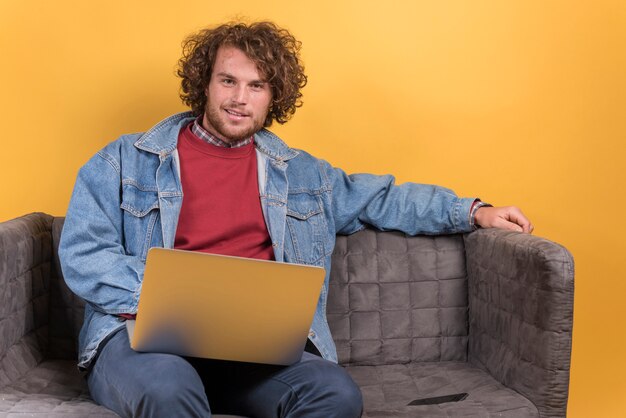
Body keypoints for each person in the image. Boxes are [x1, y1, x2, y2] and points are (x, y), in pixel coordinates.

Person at [58, 21, 533, 418]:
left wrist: (474, 212)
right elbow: (84, 251)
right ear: (204, 82)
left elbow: (382, 199)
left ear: (274, 96)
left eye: (256, 85)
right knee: (167, 389)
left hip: (254, 356)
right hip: (149, 346)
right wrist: (166, 297)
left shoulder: (304, 175)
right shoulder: (125, 159)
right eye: (228, 80)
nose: (239, 98)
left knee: (335, 392)